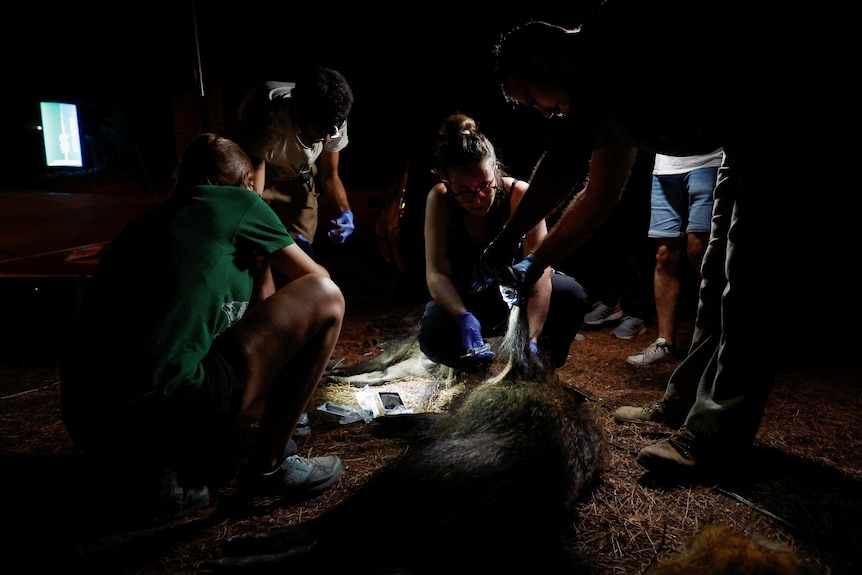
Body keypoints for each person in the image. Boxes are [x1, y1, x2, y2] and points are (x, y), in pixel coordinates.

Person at [477, 0, 862, 477]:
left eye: (532, 98)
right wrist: (532, 260)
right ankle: (682, 403)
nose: (542, 112)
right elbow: (597, 196)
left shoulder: (612, 46)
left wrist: (512, 235)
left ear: (547, 63)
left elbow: (561, 169)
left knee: (747, 287)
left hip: (782, 121)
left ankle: (716, 438)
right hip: (739, 146)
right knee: (715, 281)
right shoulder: (595, 104)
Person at [60, 133, 346, 521]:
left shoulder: (145, 224)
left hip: (93, 427)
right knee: (326, 297)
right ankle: (270, 467)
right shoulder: (239, 202)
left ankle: (157, 476)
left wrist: (257, 263)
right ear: (245, 182)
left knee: (189, 361)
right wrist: (269, 244)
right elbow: (315, 283)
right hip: (170, 411)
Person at [417, 113, 588, 373]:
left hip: (519, 297)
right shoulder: (440, 200)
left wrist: (530, 339)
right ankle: (475, 366)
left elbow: (541, 273)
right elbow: (437, 274)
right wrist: (463, 316)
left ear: (495, 170)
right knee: (433, 332)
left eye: (485, 185)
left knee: (571, 294)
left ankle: (538, 365)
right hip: (471, 298)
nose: (478, 198)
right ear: (446, 182)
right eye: (464, 191)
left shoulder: (520, 195)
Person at [229, 66, 355, 259]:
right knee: (258, 257)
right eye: (318, 131)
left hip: (297, 177)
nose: (326, 141)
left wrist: (345, 212)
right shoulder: (268, 110)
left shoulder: (333, 119)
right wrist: (259, 225)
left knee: (302, 259)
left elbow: (330, 175)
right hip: (257, 172)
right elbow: (255, 181)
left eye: (331, 133)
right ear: (297, 113)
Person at [626, 149, 722, 366]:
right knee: (664, 255)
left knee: (700, 250)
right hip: (665, 167)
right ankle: (664, 343)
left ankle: (713, 338)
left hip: (708, 160)